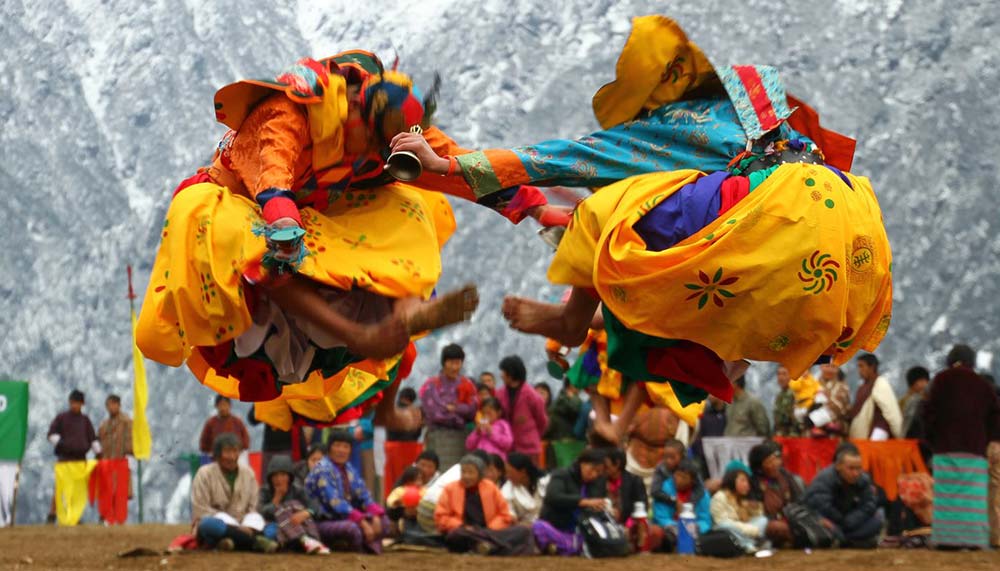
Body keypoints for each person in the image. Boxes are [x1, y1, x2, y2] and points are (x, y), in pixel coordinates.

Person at [445, 17, 890, 442]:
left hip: (772, 207)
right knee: (689, 261)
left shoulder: (677, 122)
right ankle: (723, 355)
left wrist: (450, 165)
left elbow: (569, 157)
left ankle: (572, 321)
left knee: (609, 215)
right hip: (848, 221)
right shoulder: (755, 105)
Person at [922, 345, 1000, 549]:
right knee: (971, 497)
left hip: (945, 447)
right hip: (975, 450)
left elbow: (927, 412)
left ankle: (947, 539)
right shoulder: (983, 385)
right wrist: (988, 440)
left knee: (946, 494)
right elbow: (995, 416)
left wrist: (932, 440)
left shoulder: (940, 380)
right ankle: (973, 540)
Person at [306, 430, 388, 553]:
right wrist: (362, 521)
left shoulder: (349, 468)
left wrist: (375, 515)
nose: (341, 450)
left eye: (346, 446)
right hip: (324, 520)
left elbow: (364, 494)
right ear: (329, 448)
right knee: (352, 529)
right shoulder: (322, 469)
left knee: (383, 521)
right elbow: (336, 504)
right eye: (337, 445)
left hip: (348, 516)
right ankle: (346, 543)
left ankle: (361, 542)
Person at [192, 434, 278, 552]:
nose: (232, 457)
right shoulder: (204, 474)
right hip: (220, 524)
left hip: (245, 524)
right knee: (207, 524)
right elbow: (201, 509)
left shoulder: (248, 474)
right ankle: (254, 542)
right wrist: (235, 527)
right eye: (227, 452)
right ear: (218, 454)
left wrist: (247, 526)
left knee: (274, 527)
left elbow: (254, 506)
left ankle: (232, 541)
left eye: (235, 451)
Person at [434, 454, 535, 555]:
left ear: (480, 474)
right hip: (466, 532)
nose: (466, 476)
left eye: (470, 472)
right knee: (456, 534)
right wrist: (462, 526)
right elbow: (441, 517)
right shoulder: (450, 489)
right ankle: (494, 547)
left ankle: (485, 546)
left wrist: (490, 529)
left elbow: (504, 514)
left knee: (523, 531)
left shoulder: (491, 488)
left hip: (490, 531)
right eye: (463, 472)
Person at [804, 444, 882, 548]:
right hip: (829, 520)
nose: (855, 473)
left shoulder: (863, 479)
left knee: (878, 519)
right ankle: (848, 540)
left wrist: (852, 520)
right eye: (851, 468)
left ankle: (843, 540)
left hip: (850, 523)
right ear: (838, 466)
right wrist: (841, 520)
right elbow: (821, 506)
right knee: (822, 525)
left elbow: (869, 505)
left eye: (858, 468)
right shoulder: (824, 479)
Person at [533, 448, 608, 555]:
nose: (594, 474)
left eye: (598, 472)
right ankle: (569, 546)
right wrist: (583, 502)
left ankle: (561, 547)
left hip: (580, 530)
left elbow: (598, 503)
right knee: (539, 527)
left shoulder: (596, 482)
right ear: (582, 463)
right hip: (557, 526)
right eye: (592, 469)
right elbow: (553, 497)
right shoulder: (562, 475)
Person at [420, 344, 479, 470]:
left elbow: (472, 410)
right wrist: (459, 417)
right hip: (438, 437)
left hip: (462, 438)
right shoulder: (431, 384)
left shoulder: (467, 385)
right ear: (444, 363)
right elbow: (434, 413)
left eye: (458, 363)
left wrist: (455, 408)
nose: (454, 367)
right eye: (451, 363)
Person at [47, 389, 100, 525]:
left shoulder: (85, 421)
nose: (74, 405)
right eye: (72, 402)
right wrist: (62, 443)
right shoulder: (61, 418)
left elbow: (92, 439)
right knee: (61, 489)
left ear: (82, 404)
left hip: (80, 461)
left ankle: (74, 516)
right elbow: (51, 434)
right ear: (69, 402)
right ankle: (52, 515)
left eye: (77, 403)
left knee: (77, 492)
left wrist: (99, 453)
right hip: (64, 460)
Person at [258, 455, 329, 554]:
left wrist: (306, 512)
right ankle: (304, 540)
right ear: (270, 477)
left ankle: (306, 540)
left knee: (295, 505)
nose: (279, 479)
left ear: (289, 477)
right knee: (284, 508)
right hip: (275, 526)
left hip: (299, 526)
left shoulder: (297, 489)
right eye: (275, 475)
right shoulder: (265, 490)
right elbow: (261, 512)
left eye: (283, 475)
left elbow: (314, 505)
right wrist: (276, 499)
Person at [748, 441, 803, 546]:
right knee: (778, 528)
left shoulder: (785, 476)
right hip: (769, 521)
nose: (775, 464)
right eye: (770, 461)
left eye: (776, 459)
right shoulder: (753, 483)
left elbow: (799, 500)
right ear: (759, 467)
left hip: (792, 517)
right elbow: (756, 513)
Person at [496, 356, 549, 463]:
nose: (501, 375)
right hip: (507, 448)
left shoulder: (532, 396)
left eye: (503, 372)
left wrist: (532, 436)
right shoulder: (499, 394)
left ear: (511, 374)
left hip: (529, 449)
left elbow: (542, 421)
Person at [651, 459, 712, 552]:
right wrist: (679, 528)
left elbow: (705, 520)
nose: (678, 479)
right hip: (670, 530)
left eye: (683, 477)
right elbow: (661, 517)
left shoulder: (702, 495)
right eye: (677, 475)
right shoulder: (664, 489)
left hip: (694, 531)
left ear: (692, 481)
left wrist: (693, 527)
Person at [710, 462, 769, 554]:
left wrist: (755, 508)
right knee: (725, 526)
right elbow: (721, 522)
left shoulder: (741, 499)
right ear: (732, 480)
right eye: (743, 481)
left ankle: (748, 544)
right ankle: (749, 544)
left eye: (747, 482)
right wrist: (749, 529)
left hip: (741, 531)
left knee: (762, 520)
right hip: (725, 532)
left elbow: (754, 517)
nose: (747, 485)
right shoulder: (720, 496)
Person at [380, 385, 425, 500]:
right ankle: (408, 499)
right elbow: (417, 433)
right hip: (409, 448)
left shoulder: (391, 409)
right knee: (408, 477)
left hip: (391, 447)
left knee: (391, 477)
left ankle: (391, 500)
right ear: (412, 400)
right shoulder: (415, 412)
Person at [95, 394, 133, 525]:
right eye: (108, 405)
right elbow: (98, 442)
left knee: (119, 493)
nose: (110, 407)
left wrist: (131, 449)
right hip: (106, 462)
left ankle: (119, 519)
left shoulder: (127, 422)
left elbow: (132, 442)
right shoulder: (104, 425)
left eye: (112, 404)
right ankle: (105, 516)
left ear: (118, 405)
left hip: (120, 461)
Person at [848, 353, 903, 440]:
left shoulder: (881, 384)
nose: (859, 370)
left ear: (872, 367)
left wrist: (899, 433)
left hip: (879, 431)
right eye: (858, 367)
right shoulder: (862, 387)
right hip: (862, 436)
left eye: (862, 366)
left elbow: (890, 411)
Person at [605, 448, 650, 552]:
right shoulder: (601, 481)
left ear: (617, 464)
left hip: (629, 524)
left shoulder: (634, 481)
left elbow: (642, 507)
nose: (603, 468)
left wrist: (629, 524)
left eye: (606, 465)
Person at [502, 452, 548, 525]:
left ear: (523, 472)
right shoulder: (506, 491)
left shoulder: (545, 481)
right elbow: (510, 515)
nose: (507, 476)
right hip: (525, 528)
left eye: (510, 472)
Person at [691, 397, 726, 479]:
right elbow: (697, 438)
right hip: (706, 461)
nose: (709, 396)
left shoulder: (729, 414)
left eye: (712, 393)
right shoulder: (704, 415)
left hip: (725, 459)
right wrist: (705, 452)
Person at [812, 364, 851, 437]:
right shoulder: (812, 383)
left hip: (834, 434)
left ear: (838, 369)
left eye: (833, 367)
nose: (829, 370)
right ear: (821, 367)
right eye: (827, 366)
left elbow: (842, 410)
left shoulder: (843, 387)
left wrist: (827, 397)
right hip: (811, 434)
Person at [651, 439, 686, 504]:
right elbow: (654, 491)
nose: (668, 460)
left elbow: (699, 489)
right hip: (667, 504)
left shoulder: (689, 468)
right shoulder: (660, 468)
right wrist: (673, 500)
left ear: (682, 457)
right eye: (666, 456)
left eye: (672, 457)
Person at [900, 366, 930, 435]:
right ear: (913, 383)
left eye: (926, 381)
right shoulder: (903, 402)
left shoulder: (926, 400)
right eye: (922, 381)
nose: (925, 384)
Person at [773, 366, 800, 437]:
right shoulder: (780, 395)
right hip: (781, 434)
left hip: (794, 435)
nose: (781, 377)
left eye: (784, 374)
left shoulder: (796, 394)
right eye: (779, 374)